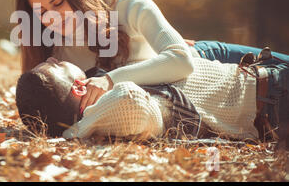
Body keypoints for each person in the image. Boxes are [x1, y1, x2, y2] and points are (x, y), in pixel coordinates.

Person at [15, 0, 289, 115]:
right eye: (41, 12)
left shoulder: (127, 4)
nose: (54, 18)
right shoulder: (53, 55)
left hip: (204, 61)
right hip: (183, 98)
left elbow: (181, 61)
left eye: (59, 2)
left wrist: (110, 80)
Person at [15, 55, 288, 148]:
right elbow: (131, 102)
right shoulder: (113, 109)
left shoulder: (98, 95)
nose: (53, 58)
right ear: (77, 88)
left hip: (265, 77)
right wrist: (71, 132)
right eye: (55, 64)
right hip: (274, 99)